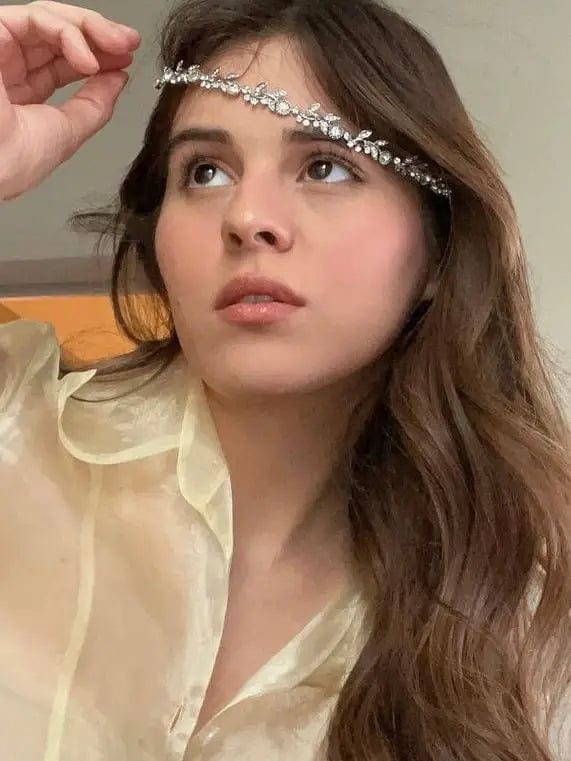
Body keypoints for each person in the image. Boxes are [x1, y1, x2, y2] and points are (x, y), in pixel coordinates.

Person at [0, 1, 569, 760]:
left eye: (325, 166)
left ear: (436, 251)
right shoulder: (13, 424)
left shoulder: (522, 604)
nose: (247, 217)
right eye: (205, 171)